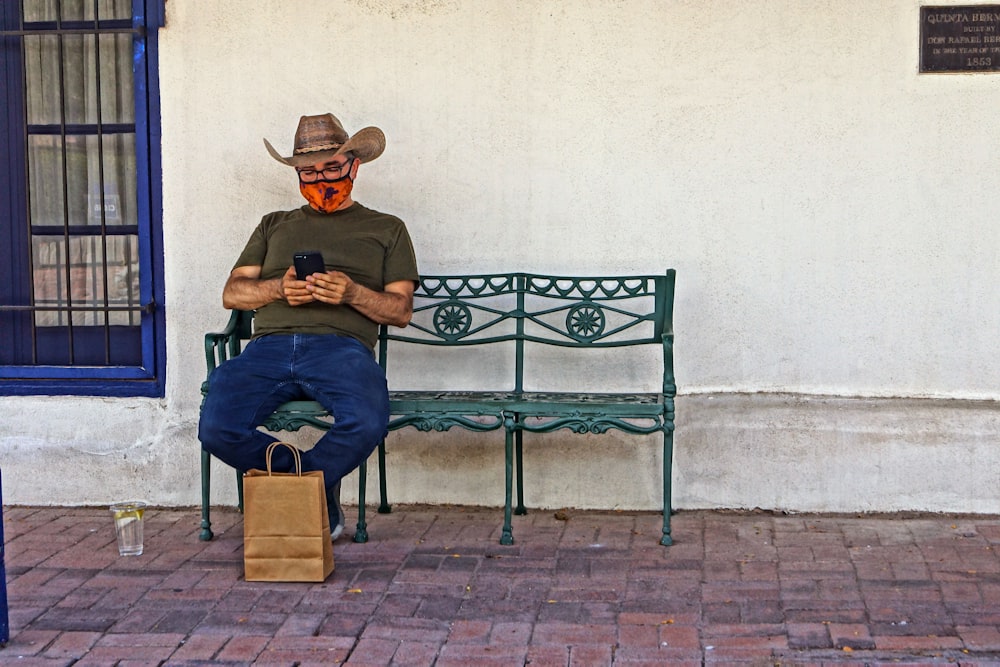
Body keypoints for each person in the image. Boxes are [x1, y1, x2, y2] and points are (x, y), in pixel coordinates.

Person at [198, 113, 419, 541]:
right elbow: (233, 293)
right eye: (308, 172)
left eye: (331, 168)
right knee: (216, 425)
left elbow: (401, 311)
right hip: (268, 348)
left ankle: (303, 490)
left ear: (354, 165)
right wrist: (278, 289)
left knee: (367, 419)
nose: (321, 179)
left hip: (340, 350)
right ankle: (315, 484)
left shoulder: (387, 229)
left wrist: (352, 293)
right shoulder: (274, 224)